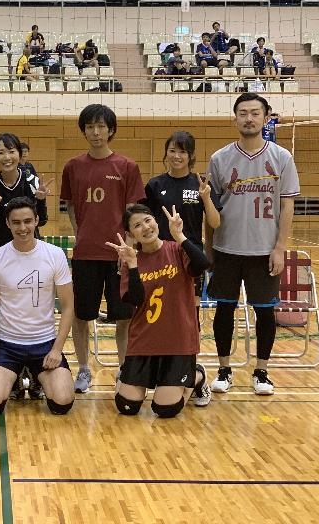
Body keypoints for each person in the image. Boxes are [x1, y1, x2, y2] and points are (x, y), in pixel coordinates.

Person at [204, 93, 300, 395]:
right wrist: (209, 249)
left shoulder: (282, 157)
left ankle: (262, 372)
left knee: (265, 312)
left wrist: (280, 247)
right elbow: (210, 208)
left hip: (264, 250)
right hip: (226, 249)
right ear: (235, 119)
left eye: (255, 113)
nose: (249, 118)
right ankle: (224, 369)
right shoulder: (219, 159)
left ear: (266, 118)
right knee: (224, 309)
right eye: (243, 113)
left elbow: (287, 206)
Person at [60, 104, 145, 393]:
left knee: (124, 317)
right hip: (86, 254)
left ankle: (124, 370)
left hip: (118, 256)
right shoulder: (72, 166)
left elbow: (133, 211)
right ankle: (84, 369)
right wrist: (80, 232)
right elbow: (71, 204)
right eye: (90, 127)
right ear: (83, 131)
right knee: (81, 315)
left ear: (111, 130)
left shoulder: (127, 166)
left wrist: (128, 248)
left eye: (101, 126)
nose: (95, 132)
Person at [108, 204, 212, 418]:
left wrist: (180, 236)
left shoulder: (177, 249)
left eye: (148, 220)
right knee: (126, 406)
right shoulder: (131, 261)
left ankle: (197, 376)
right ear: (130, 234)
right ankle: (135, 378)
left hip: (178, 341)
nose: (145, 227)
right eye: (137, 225)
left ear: (156, 221)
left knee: (165, 410)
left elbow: (203, 264)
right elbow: (136, 299)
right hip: (144, 340)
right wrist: (133, 264)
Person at [0, 197, 75, 416]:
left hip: (44, 343)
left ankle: (35, 376)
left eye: (27, 221)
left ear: (37, 221)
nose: (22, 228)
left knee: (63, 402)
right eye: (16, 222)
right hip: (8, 344)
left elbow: (68, 307)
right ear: (8, 224)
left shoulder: (55, 254)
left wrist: (57, 349)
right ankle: (16, 374)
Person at [0, 133, 52, 371]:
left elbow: (41, 221)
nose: (7, 157)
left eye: (11, 151)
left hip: (29, 255)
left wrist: (41, 200)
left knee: (30, 307)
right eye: (1, 152)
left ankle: (32, 368)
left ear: (20, 155)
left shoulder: (31, 181)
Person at [142, 131, 221, 320]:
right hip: (160, 255)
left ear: (191, 155)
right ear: (166, 152)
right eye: (172, 151)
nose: (176, 156)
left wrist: (206, 197)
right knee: (160, 313)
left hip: (191, 256)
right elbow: (143, 221)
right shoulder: (155, 185)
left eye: (182, 152)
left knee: (189, 315)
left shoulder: (200, 185)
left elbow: (215, 222)